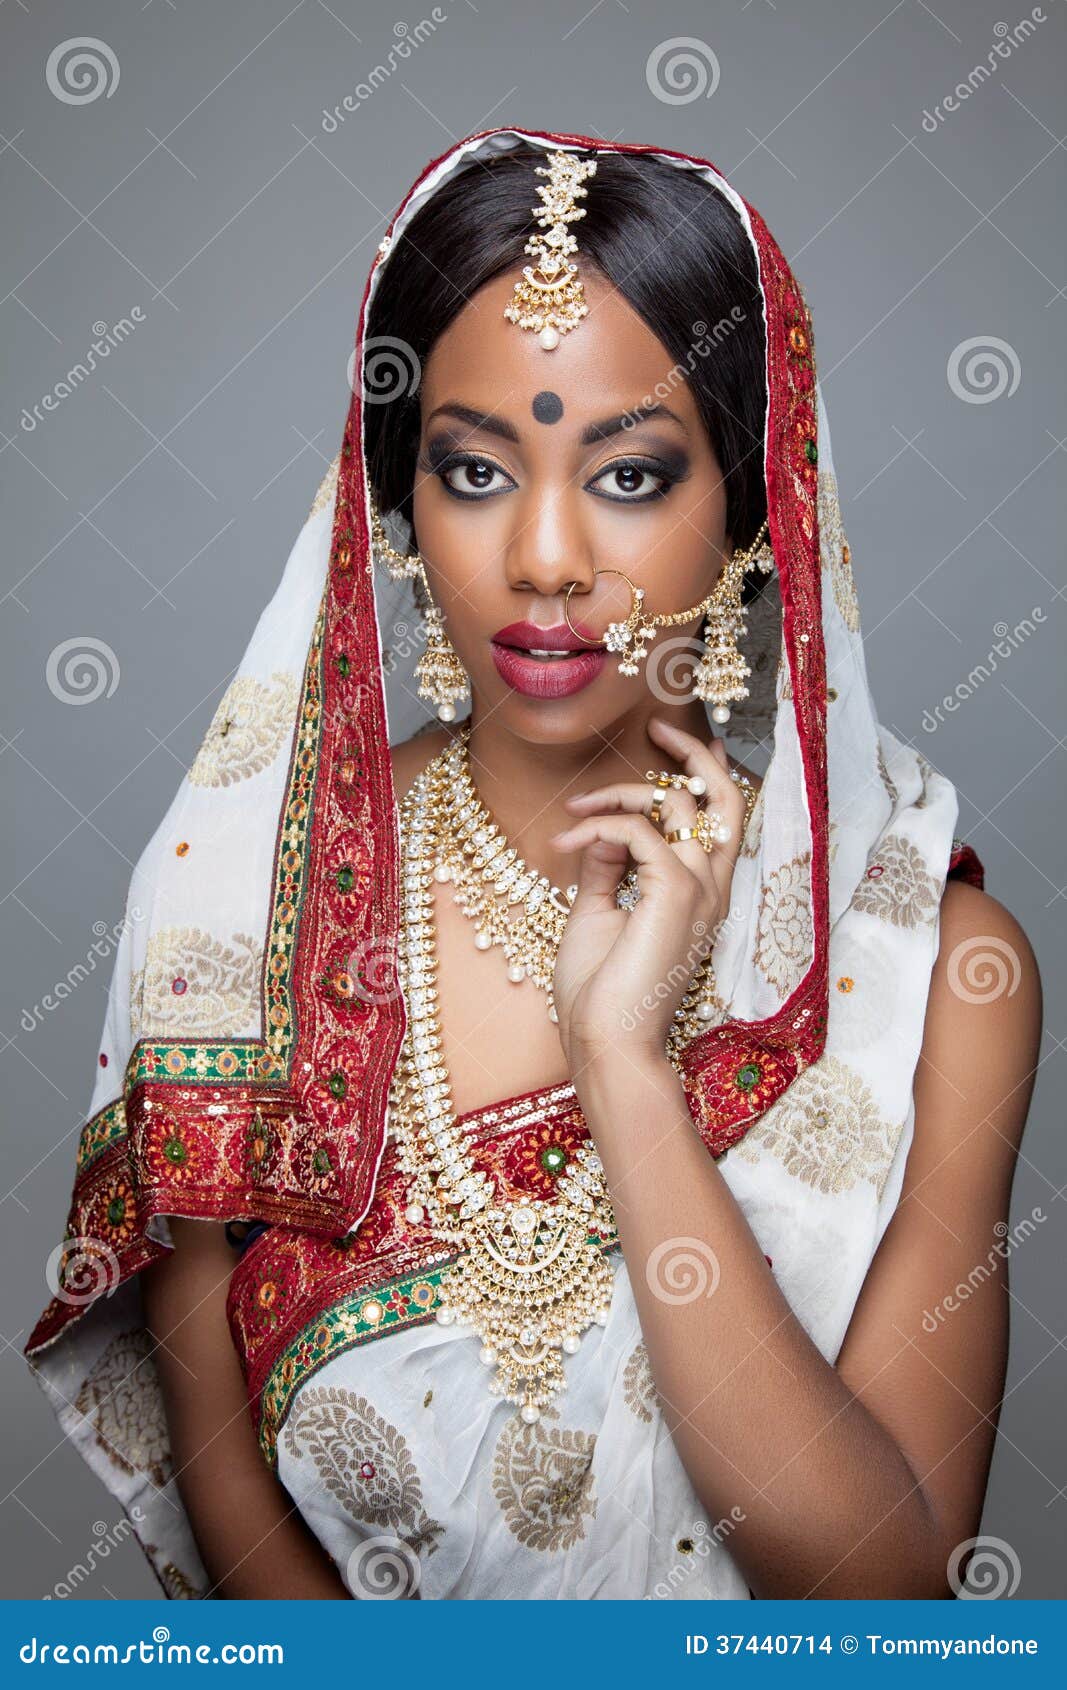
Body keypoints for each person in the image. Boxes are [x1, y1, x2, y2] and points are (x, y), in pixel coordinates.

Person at [24, 127, 1040, 1602]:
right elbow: (232, 1515)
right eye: (475, 468)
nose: (547, 554)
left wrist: (625, 1066)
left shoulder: (923, 967)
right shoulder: (243, 910)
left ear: (756, 506)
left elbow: (877, 1591)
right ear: (401, 500)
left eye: (629, 475)